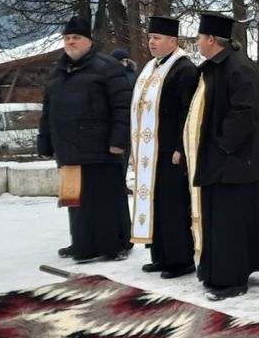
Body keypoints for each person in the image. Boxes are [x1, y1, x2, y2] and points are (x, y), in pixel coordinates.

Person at [184, 12, 259, 300]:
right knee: (219, 218)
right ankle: (217, 271)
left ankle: (233, 277)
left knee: (231, 220)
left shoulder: (237, 67)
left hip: (236, 161)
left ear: (212, 39)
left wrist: (222, 144)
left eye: (200, 38)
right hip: (222, 160)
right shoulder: (215, 67)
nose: (198, 42)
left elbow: (245, 111)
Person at [39, 16, 133, 263]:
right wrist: (45, 142)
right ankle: (82, 244)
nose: (71, 42)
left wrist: (119, 140)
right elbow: (48, 111)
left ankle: (114, 244)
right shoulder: (58, 72)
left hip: (101, 149)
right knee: (75, 201)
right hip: (69, 150)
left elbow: (123, 107)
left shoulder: (107, 67)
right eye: (67, 38)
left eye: (76, 38)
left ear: (88, 41)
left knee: (105, 200)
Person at [129, 15, 198, 278]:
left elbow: (187, 113)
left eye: (157, 38)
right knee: (156, 203)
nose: (151, 42)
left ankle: (180, 260)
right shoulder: (151, 67)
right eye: (150, 38)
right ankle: (160, 255)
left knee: (173, 206)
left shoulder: (184, 69)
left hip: (171, 152)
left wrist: (181, 147)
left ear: (172, 41)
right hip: (151, 151)